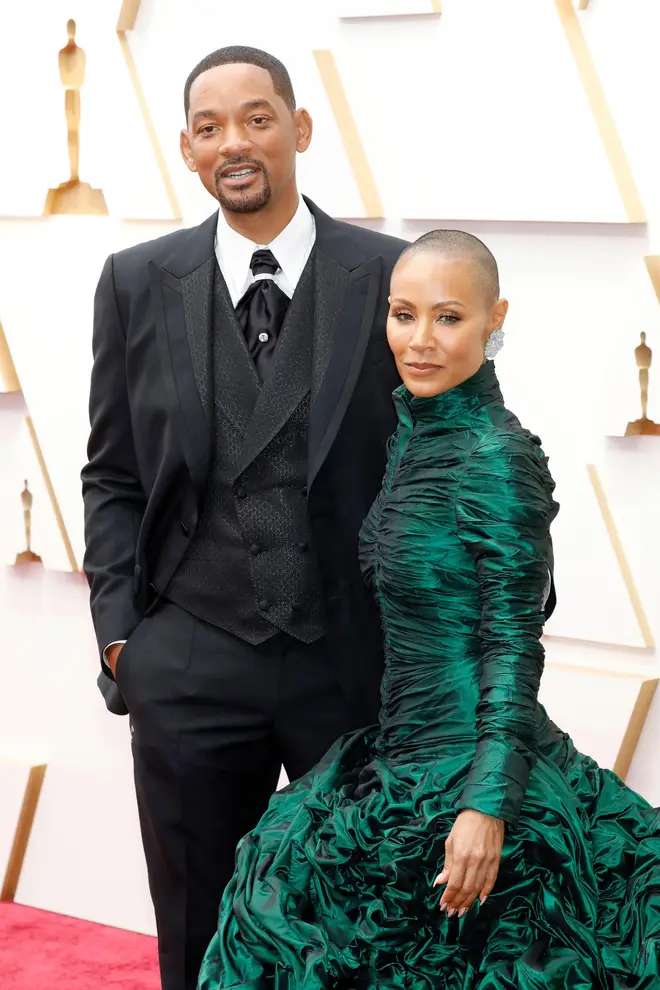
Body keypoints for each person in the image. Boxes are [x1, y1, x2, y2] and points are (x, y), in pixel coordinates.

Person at [198, 230, 660, 989]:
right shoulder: (416, 436)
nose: (418, 341)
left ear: (493, 318)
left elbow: (514, 646)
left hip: (473, 776)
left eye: (447, 318)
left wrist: (484, 809)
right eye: (402, 314)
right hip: (394, 763)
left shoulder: (496, 456)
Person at [81, 45, 407, 990]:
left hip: (348, 665)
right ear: (186, 148)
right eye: (211, 126)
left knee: (356, 937)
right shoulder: (136, 280)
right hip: (190, 660)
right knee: (195, 939)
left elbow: (441, 459)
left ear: (299, 131)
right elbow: (112, 473)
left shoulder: (392, 276)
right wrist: (120, 642)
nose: (236, 143)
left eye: (258, 119)